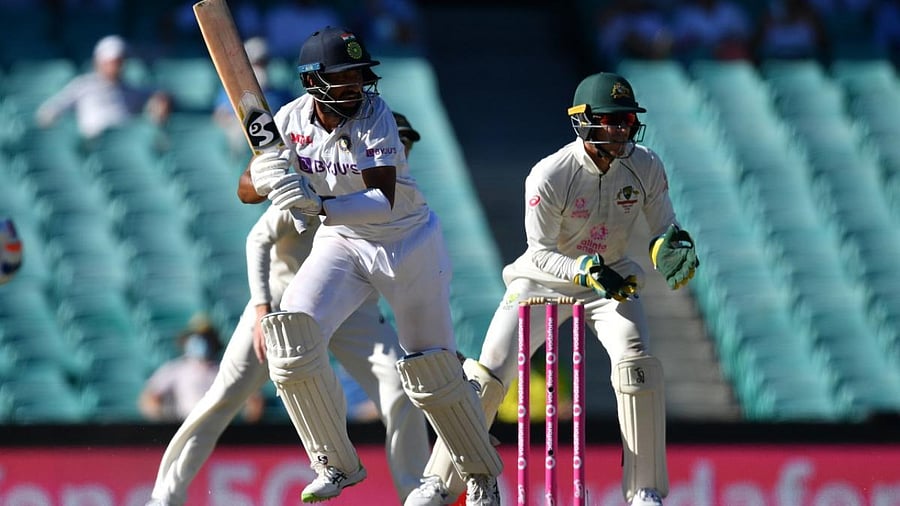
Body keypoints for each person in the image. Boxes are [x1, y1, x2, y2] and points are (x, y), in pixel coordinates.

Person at [238, 26, 502, 505]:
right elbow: (244, 191)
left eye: (361, 75)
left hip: (409, 244)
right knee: (291, 332)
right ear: (313, 81)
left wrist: (316, 203)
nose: (357, 85)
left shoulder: (375, 115)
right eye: (344, 77)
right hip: (344, 242)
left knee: (432, 369)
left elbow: (383, 197)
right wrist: (264, 173)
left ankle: (480, 475)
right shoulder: (289, 120)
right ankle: (334, 461)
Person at [407, 73, 699, 506]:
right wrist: (584, 270)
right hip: (540, 280)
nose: (622, 131)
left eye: (626, 121)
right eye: (612, 121)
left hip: (611, 280)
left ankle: (645, 491)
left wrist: (669, 245)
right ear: (583, 122)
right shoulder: (550, 174)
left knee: (637, 368)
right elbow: (539, 253)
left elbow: (662, 226)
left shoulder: (646, 165)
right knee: (487, 376)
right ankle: (441, 481)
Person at [145, 113, 432, 506]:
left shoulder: (400, 202)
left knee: (399, 387)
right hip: (282, 307)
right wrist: (263, 310)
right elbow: (257, 239)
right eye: (398, 145)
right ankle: (165, 497)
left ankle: (415, 491)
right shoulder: (320, 185)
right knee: (224, 396)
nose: (403, 153)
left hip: (353, 308)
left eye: (406, 147)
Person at [35, 35, 171, 141]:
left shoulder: (130, 89)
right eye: (112, 62)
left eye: (120, 61)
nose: (116, 66)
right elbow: (50, 110)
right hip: (94, 144)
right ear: (98, 62)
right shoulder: (82, 85)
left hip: (124, 141)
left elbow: (159, 96)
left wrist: (158, 103)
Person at [138, 316, 240, 422]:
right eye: (198, 336)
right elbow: (150, 398)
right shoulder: (177, 369)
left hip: (219, 427)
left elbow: (250, 401)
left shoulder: (223, 370)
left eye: (206, 337)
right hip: (185, 424)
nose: (203, 341)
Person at [213, 36, 293, 159]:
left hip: (278, 147)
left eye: (264, 62)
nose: (260, 66)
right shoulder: (230, 91)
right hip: (243, 143)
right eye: (255, 62)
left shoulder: (282, 93)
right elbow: (220, 118)